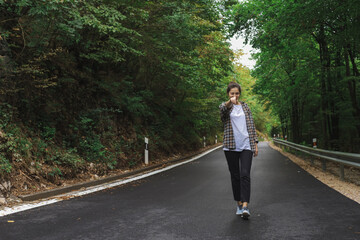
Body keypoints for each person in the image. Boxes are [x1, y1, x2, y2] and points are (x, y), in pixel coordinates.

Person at [219, 81, 258, 219]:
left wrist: (255, 144)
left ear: (239, 94)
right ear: (228, 94)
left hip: (246, 145)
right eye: (232, 93)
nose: (235, 95)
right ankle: (239, 204)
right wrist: (230, 102)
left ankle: (246, 205)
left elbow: (251, 125)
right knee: (235, 176)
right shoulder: (226, 107)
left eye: (236, 93)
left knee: (245, 174)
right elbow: (222, 113)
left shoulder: (246, 107)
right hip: (230, 146)